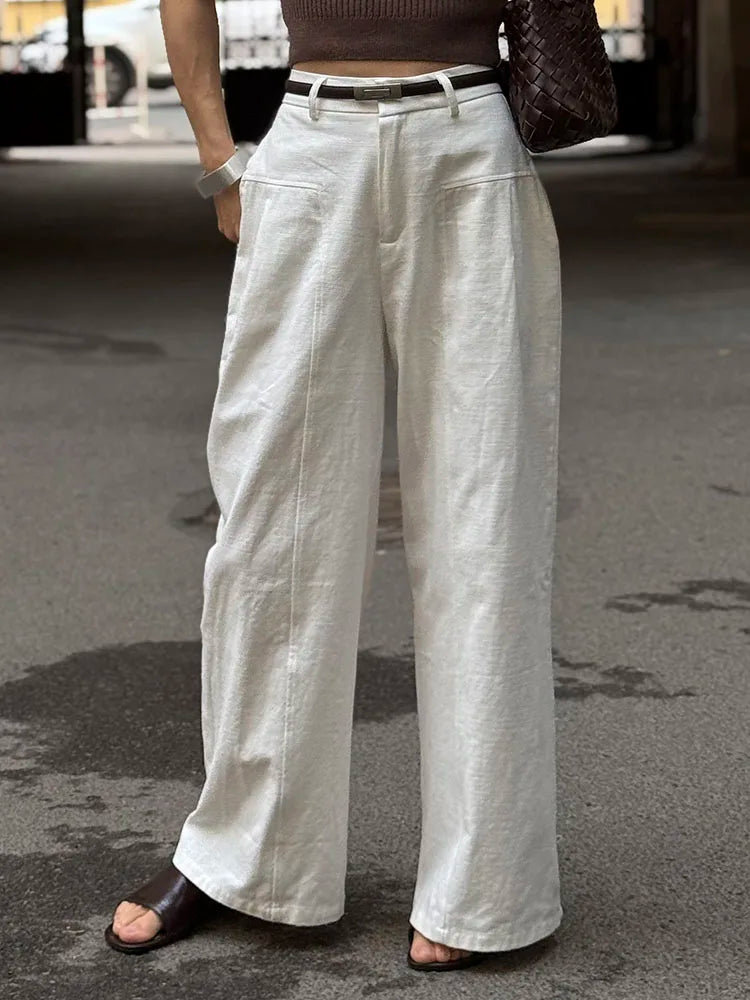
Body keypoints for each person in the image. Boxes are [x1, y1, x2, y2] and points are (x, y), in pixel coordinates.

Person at [104, 0, 564, 972]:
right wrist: (220, 154)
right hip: (312, 141)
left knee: (487, 523)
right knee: (272, 527)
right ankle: (247, 858)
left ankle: (486, 886)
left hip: (469, 139)